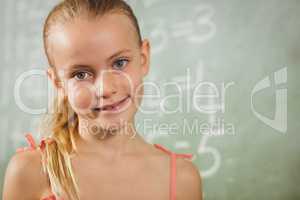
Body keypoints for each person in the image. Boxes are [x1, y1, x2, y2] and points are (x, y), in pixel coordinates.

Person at [2, 0, 202, 199]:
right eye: (81, 74)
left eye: (119, 63)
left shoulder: (183, 180)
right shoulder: (30, 172)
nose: (105, 89)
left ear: (143, 58)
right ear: (58, 83)